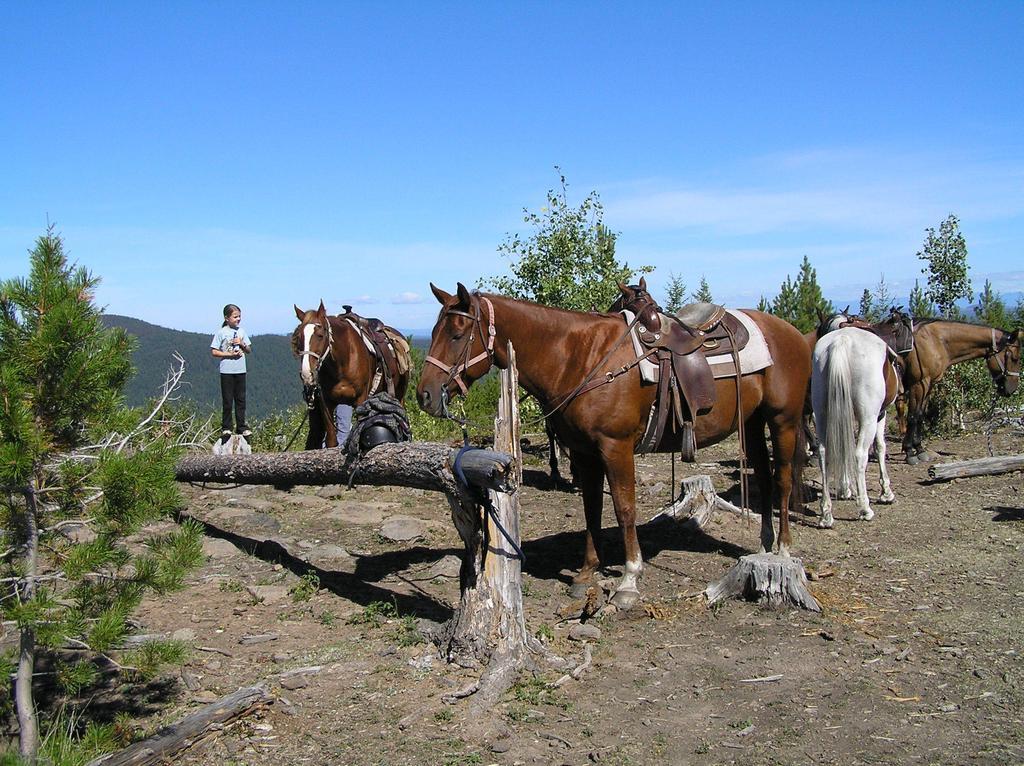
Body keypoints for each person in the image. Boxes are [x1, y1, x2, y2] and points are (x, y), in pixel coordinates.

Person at [210, 304, 252, 442]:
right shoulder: (221, 332)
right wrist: (228, 354)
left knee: (241, 400)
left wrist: (241, 344)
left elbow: (249, 350)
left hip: (241, 370)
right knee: (228, 400)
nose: (238, 319)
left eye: (239, 316)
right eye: (235, 317)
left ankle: (241, 426)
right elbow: (214, 351)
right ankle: (226, 427)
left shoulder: (242, 332)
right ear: (227, 318)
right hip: (226, 371)